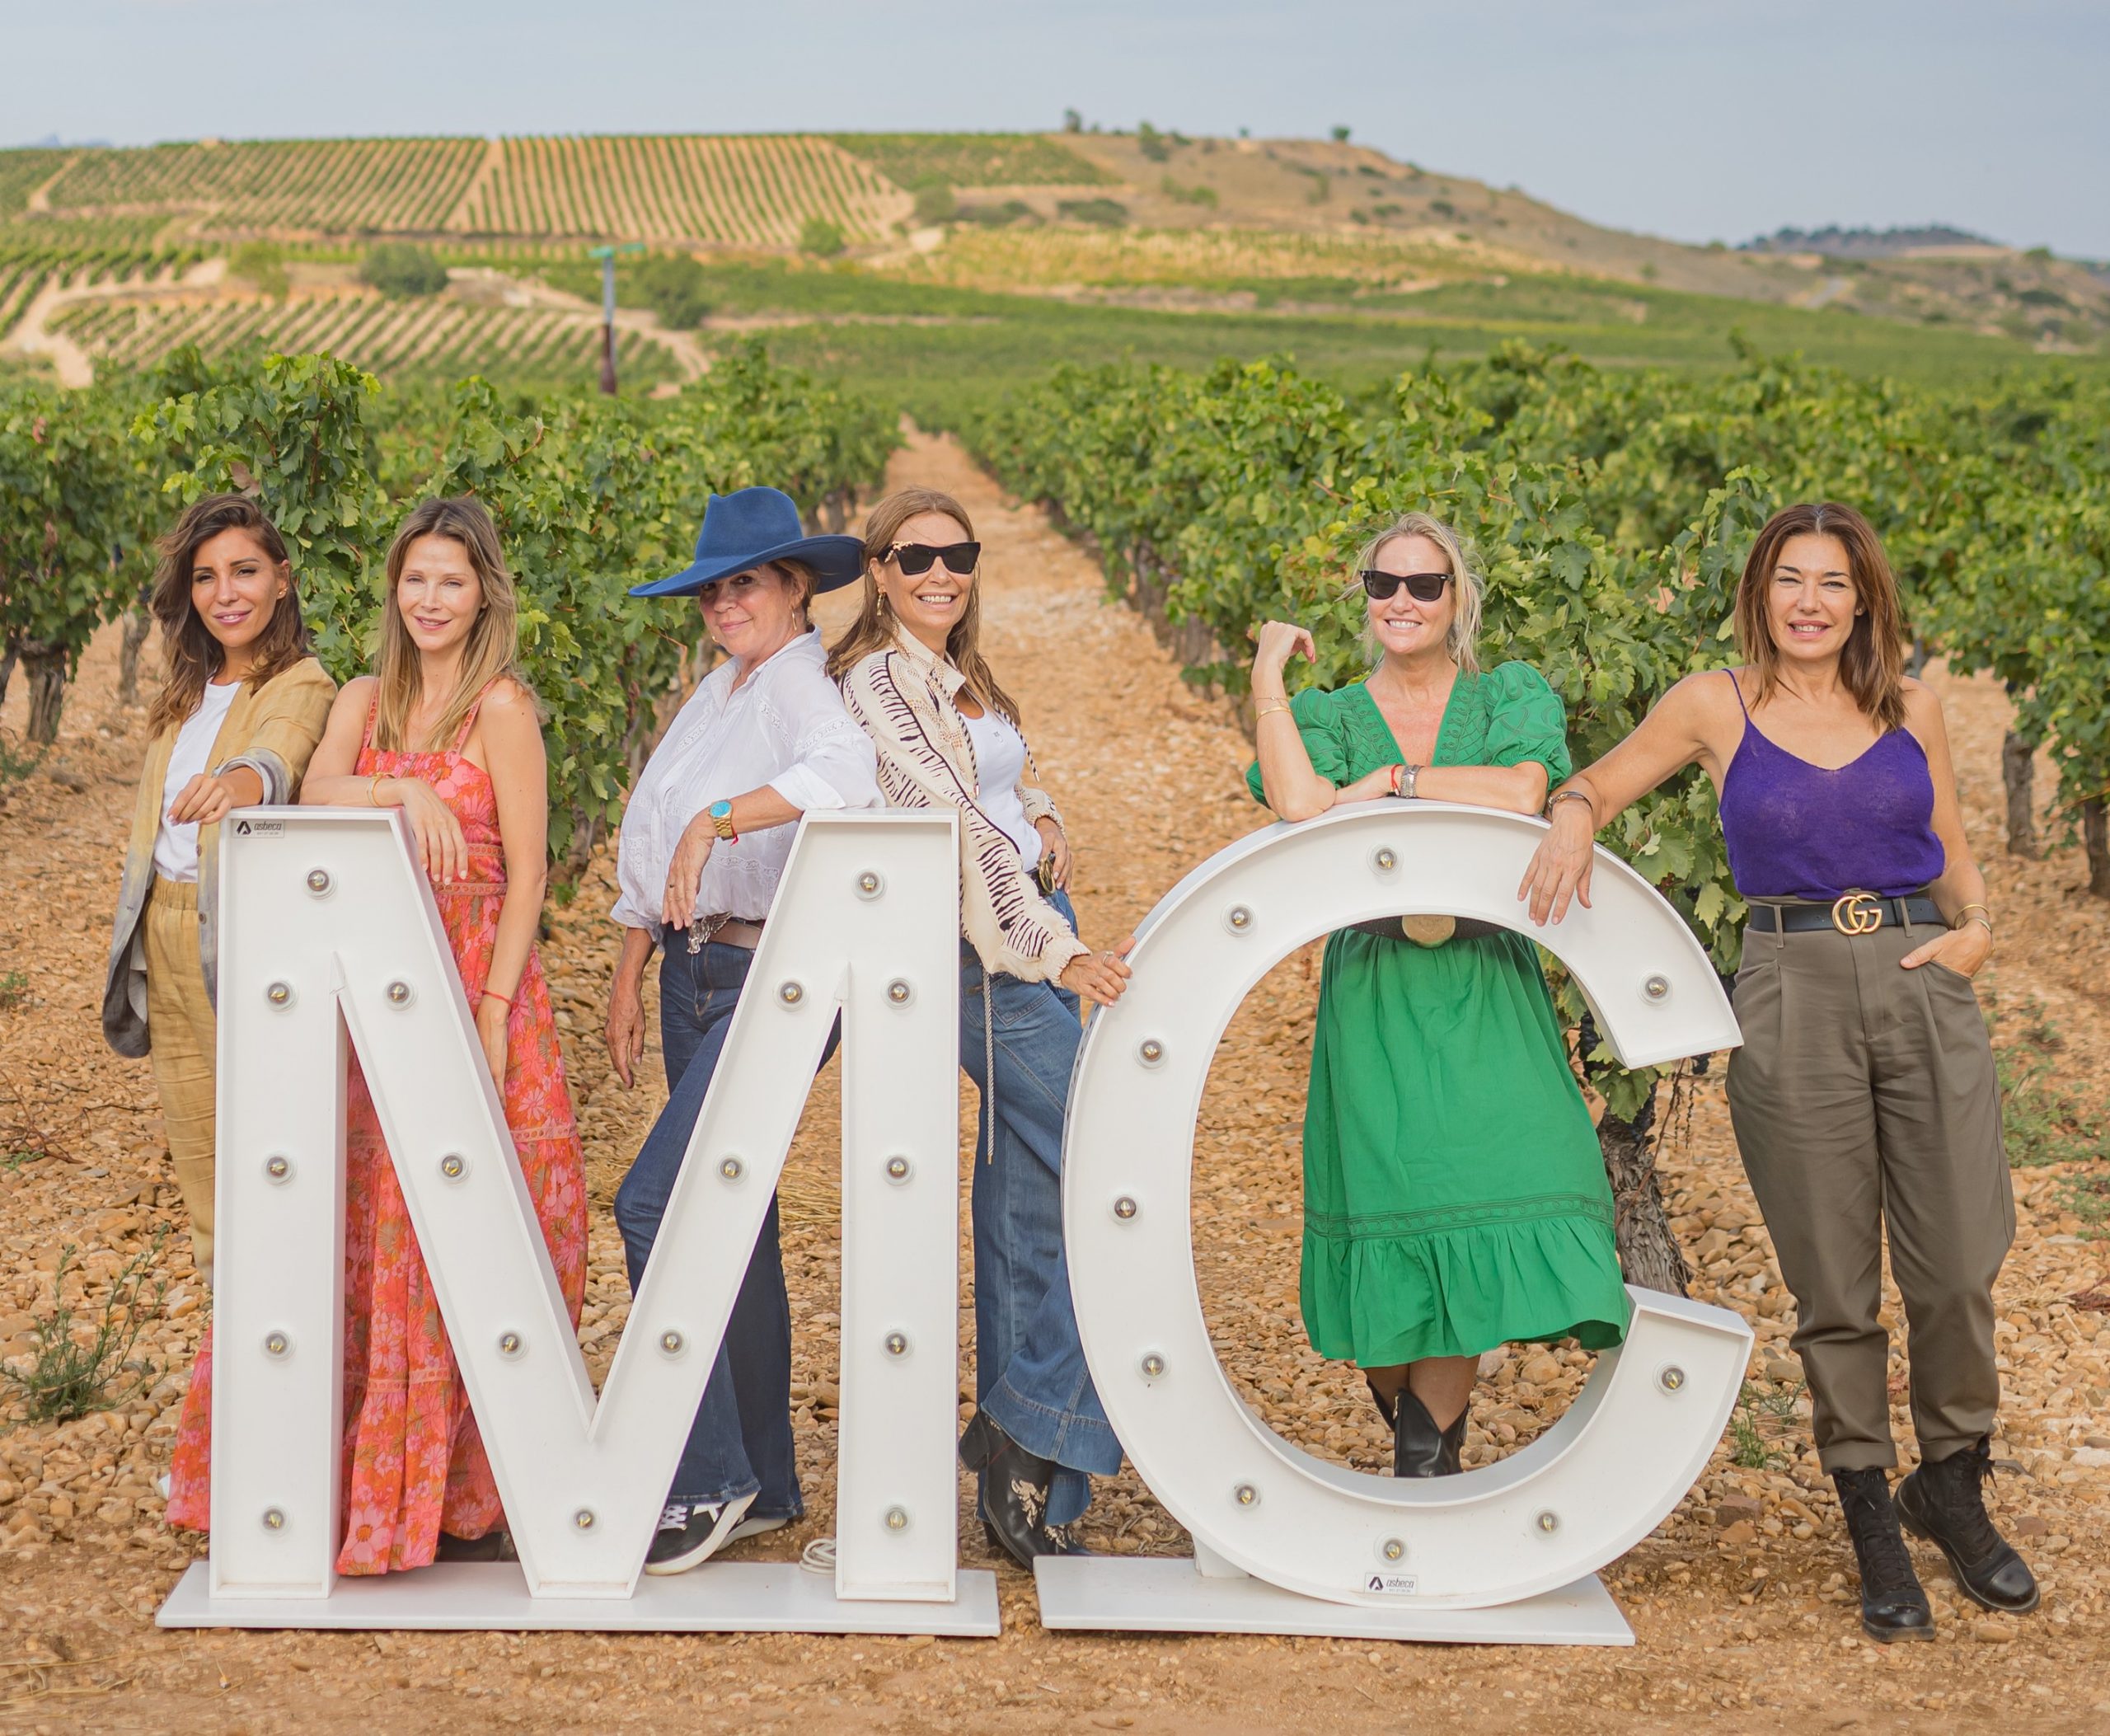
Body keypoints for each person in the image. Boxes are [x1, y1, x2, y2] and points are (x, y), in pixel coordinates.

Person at [1518, 501, 2033, 1643]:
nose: (1810, 600)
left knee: (1957, 1263)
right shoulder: (1716, 703)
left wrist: (1981, 928)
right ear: (1758, 592)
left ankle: (1950, 1481)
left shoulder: (1913, 706)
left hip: (1920, 977)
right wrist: (1568, 816)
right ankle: (1870, 1513)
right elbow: (1600, 783)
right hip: (1791, 987)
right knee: (1835, 1285)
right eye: (1790, 578)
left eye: (1833, 582)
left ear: (1864, 600)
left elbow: (1949, 852)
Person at [166, 496, 588, 1574]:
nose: (431, 598)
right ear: (395, 591)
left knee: (511, 1222)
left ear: (484, 591)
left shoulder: (502, 707)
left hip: (478, 988)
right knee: (373, 1230)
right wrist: (402, 789)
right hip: (376, 1004)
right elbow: (314, 788)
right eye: (416, 580)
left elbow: (531, 870)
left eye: (452, 580)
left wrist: (493, 1013)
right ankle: (347, 1482)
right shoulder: (366, 696)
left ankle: (468, 1489)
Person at [1245, 510, 1629, 1479]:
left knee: (1476, 1195)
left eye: (1424, 585)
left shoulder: (1509, 691)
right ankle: (1423, 1444)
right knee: (1388, 1204)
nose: (1402, 602)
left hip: (1484, 985)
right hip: (1376, 990)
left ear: (1456, 599)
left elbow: (1522, 791)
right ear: (1364, 599)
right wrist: (1266, 685)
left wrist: (1391, 782)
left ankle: (1426, 1464)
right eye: (1384, 586)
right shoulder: (1329, 713)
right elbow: (1296, 803)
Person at [832, 486, 1132, 1568]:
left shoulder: (961, 676)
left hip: (1024, 930)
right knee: (1117, 1158)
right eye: (915, 559)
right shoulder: (874, 681)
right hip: (984, 955)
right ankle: (1028, 1417)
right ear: (878, 570)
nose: (939, 574)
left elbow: (1001, 779)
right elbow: (954, 823)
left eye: (957, 555)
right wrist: (1055, 947)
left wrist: (1045, 809)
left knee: (1028, 1202)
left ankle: (1029, 1489)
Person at [608, 486, 881, 1575]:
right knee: (739, 1218)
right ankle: (765, 1479)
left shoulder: (802, 686)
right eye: (715, 586)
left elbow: (846, 780)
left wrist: (722, 818)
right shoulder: (721, 688)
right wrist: (630, 967)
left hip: (772, 966)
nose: (728, 601)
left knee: (658, 1201)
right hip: (693, 967)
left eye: (748, 582)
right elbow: (648, 831)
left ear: (795, 587)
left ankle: (706, 1474)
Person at [102, 494, 336, 1279]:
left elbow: (282, 755)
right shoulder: (186, 695)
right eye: (206, 578)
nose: (225, 593)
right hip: (165, 927)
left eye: (244, 571)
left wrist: (236, 781)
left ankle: (284, 1306)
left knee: (266, 1130)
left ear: (282, 580)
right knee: (197, 1132)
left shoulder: (300, 682)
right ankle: (228, 1322)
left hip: (237, 933)